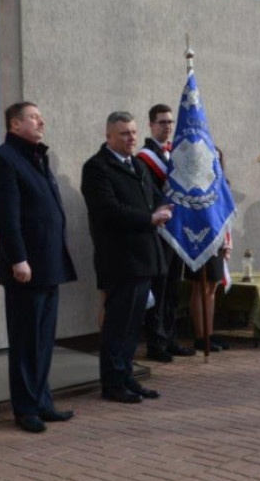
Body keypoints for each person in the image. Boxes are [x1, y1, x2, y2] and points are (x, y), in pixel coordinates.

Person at [0, 102, 78, 434]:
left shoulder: (37, 157)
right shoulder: (2, 160)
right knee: (26, 341)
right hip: (26, 265)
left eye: (41, 116)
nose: (42, 121)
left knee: (43, 339)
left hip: (48, 263)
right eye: (34, 117)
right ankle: (25, 408)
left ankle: (43, 401)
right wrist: (17, 258)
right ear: (14, 124)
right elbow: (6, 216)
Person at [81, 111, 172, 403]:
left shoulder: (138, 164)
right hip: (120, 259)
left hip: (144, 257)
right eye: (124, 133)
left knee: (133, 326)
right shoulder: (97, 168)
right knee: (117, 325)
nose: (131, 138)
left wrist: (163, 208)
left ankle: (126, 376)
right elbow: (107, 210)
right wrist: (149, 218)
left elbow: (153, 197)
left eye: (133, 132)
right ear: (109, 136)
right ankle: (112, 383)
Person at [137, 104, 195, 363]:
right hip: (159, 232)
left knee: (173, 289)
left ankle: (171, 339)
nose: (168, 126)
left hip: (177, 231)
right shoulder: (145, 158)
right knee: (159, 289)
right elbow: (149, 194)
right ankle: (156, 342)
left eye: (170, 122)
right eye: (162, 122)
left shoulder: (175, 153)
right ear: (151, 125)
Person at [184, 146, 232, 352]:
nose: (216, 163)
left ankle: (209, 333)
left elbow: (226, 215)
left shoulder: (223, 184)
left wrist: (227, 243)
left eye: (219, 159)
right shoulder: (196, 184)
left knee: (212, 287)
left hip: (218, 241)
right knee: (199, 287)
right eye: (213, 159)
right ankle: (200, 335)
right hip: (200, 240)